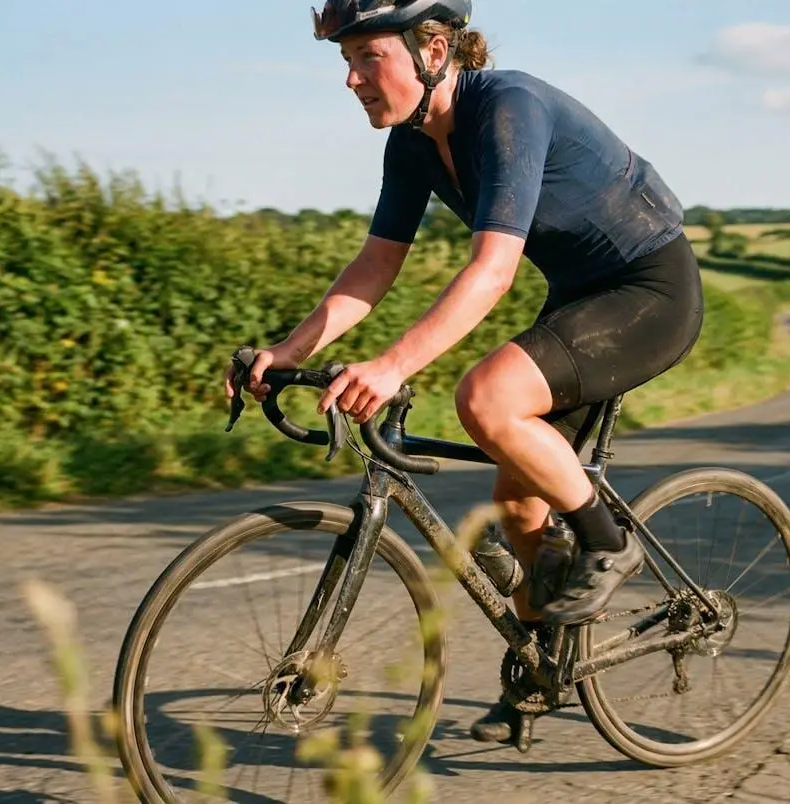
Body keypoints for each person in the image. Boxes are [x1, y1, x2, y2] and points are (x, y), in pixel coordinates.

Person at [225, 0, 705, 744]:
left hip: (650, 289)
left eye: (366, 58)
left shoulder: (506, 107)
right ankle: (545, 674)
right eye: (344, 62)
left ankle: (610, 544)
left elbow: (492, 271)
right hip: (580, 299)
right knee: (518, 510)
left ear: (435, 47)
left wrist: (390, 365)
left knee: (485, 397)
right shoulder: (414, 145)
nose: (351, 80)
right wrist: (290, 352)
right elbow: (376, 264)